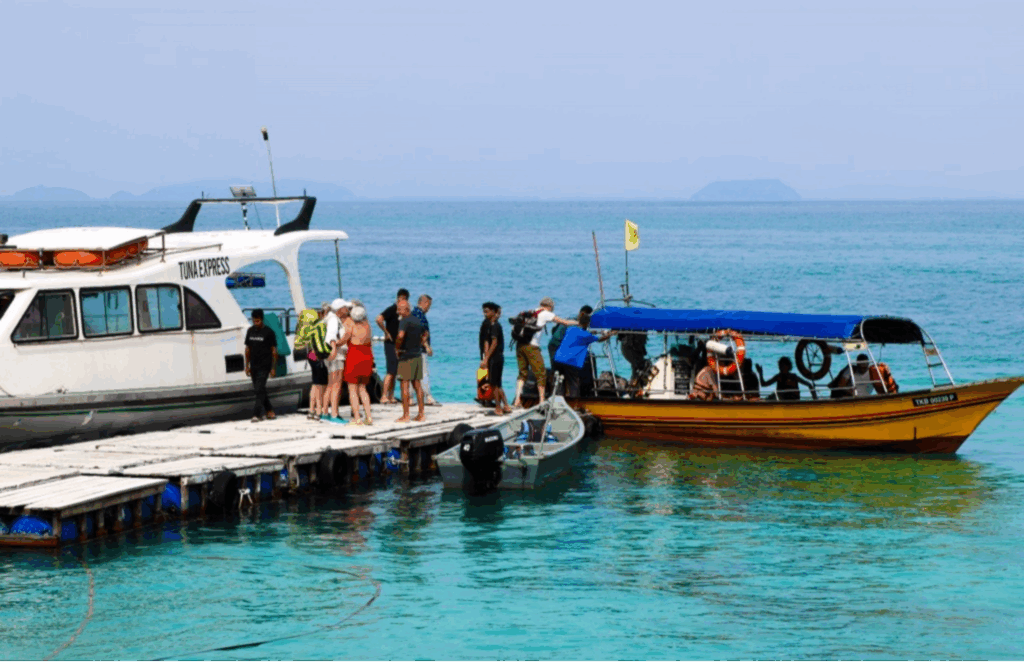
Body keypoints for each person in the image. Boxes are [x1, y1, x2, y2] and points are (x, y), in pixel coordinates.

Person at [512, 297, 578, 408]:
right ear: (550, 306)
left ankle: (517, 399)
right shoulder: (546, 313)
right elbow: (565, 322)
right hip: (532, 347)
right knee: (541, 374)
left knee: (522, 373)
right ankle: (542, 401)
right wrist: (579, 322)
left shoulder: (532, 312)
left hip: (520, 345)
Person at [553, 311, 614, 398]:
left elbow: (581, 334)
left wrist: (591, 332)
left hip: (558, 359)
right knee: (574, 384)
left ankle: (558, 400)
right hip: (571, 362)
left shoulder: (570, 329)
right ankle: (575, 403)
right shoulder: (587, 335)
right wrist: (610, 334)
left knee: (560, 383)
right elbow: (600, 339)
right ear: (587, 323)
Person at [394, 298, 428, 422]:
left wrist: (397, 348)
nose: (397, 312)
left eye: (399, 309)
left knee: (404, 385)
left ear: (406, 309)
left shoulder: (404, 321)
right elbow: (425, 333)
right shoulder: (417, 320)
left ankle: (406, 415)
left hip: (406, 356)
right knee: (417, 385)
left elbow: (400, 335)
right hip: (417, 355)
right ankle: (421, 414)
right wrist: (421, 343)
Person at [295, 308, 331, 420]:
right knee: (321, 384)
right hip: (318, 356)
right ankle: (319, 411)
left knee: (315, 383)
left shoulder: (305, 326)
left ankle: (311, 409)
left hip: (310, 355)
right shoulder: (319, 326)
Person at [343, 305, 375, 425]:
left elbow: (344, 339)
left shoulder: (352, 326)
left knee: (352, 389)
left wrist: (335, 344)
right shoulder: (368, 326)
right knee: (363, 389)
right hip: (367, 356)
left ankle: (357, 418)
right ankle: (369, 417)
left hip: (354, 356)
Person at [244, 308, 278, 422]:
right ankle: (270, 411)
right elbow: (247, 349)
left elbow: (274, 351)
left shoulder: (269, 332)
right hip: (254, 365)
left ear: (262, 319)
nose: (256, 323)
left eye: (258, 321)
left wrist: (273, 368)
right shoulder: (250, 331)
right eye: (254, 321)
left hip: (265, 365)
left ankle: (256, 414)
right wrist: (246, 365)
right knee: (260, 389)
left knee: (259, 389)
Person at [376, 289, 409, 404]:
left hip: (399, 344)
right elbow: (379, 319)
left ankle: (391, 396)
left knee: (395, 371)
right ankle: (384, 395)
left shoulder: (404, 311)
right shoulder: (392, 309)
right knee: (390, 370)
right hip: (390, 343)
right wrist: (386, 332)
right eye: (401, 299)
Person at [480, 302, 511, 415]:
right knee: (497, 383)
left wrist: (486, 359)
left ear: (493, 312)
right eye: (484, 312)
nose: (485, 314)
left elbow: (494, 343)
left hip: (495, 357)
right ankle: (506, 406)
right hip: (495, 357)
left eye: (487, 311)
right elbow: (486, 342)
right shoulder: (490, 325)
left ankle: (498, 408)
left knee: (494, 384)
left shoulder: (495, 326)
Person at [324, 298, 351, 421]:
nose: (347, 309)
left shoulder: (330, 318)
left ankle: (325, 412)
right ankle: (334, 414)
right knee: (336, 384)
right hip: (337, 356)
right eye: (345, 307)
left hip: (334, 354)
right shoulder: (334, 320)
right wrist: (334, 349)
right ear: (340, 309)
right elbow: (331, 336)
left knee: (331, 384)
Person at [411, 294, 440, 406]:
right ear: (425, 303)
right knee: (423, 373)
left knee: (412, 374)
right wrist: (427, 346)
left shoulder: (413, 313)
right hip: (420, 348)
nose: (429, 308)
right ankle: (428, 397)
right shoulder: (420, 316)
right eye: (429, 305)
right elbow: (421, 332)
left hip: (412, 348)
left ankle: (410, 398)